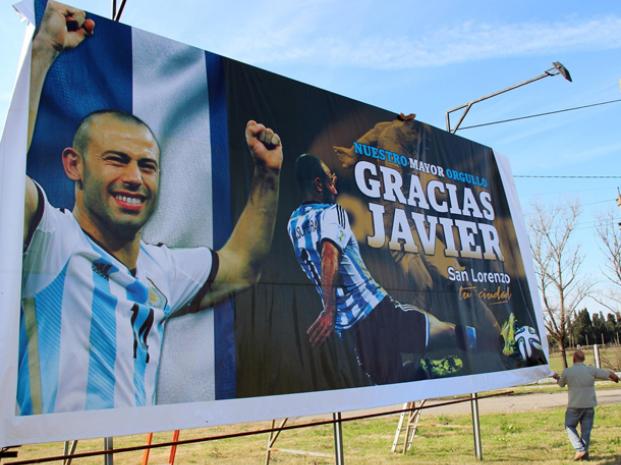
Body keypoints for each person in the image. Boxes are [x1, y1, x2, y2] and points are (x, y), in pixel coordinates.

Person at [19, 1, 283, 414]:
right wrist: (42, 53)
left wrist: (267, 177)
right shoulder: (47, 238)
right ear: (74, 165)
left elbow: (243, 265)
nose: (134, 178)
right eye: (116, 160)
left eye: (147, 166)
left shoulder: (162, 271)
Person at [287, 153, 502, 385]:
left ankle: (482, 350)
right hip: (376, 311)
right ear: (318, 184)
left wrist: (331, 313)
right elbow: (330, 254)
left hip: (350, 330)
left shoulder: (292, 223)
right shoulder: (332, 212)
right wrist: (329, 310)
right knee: (443, 334)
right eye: (331, 178)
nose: (335, 184)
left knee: (393, 379)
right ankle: (493, 346)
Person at [552, 349, 620, 461]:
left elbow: (561, 384)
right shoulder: (590, 370)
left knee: (569, 426)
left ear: (573, 359)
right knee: (586, 431)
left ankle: (580, 449)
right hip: (589, 405)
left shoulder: (567, 372)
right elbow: (609, 374)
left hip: (574, 405)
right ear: (583, 359)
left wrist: (556, 377)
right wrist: (616, 379)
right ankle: (584, 455)